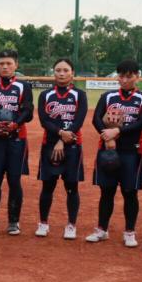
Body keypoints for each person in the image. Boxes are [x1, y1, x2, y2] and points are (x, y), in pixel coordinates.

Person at [85, 60, 142, 247]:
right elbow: (96, 119)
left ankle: (130, 231)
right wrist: (107, 137)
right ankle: (102, 229)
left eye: (129, 76)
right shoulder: (108, 96)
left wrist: (118, 131)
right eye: (121, 76)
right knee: (107, 192)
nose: (125, 79)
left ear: (137, 76)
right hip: (109, 150)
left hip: (132, 151)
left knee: (130, 192)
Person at [0, 49, 34, 235]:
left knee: (14, 180)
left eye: (9, 63)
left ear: (16, 65)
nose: (5, 67)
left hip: (16, 139)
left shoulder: (23, 86)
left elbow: (28, 111)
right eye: (1, 63)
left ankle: (13, 221)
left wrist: (15, 124)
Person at [35, 58, 87, 239]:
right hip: (49, 144)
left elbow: (79, 120)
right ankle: (43, 223)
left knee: (71, 186)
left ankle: (71, 225)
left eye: (66, 70)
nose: (62, 73)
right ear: (53, 72)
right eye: (58, 70)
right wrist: (59, 134)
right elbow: (44, 120)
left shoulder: (80, 95)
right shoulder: (46, 95)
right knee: (47, 186)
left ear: (72, 73)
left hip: (73, 145)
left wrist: (64, 139)